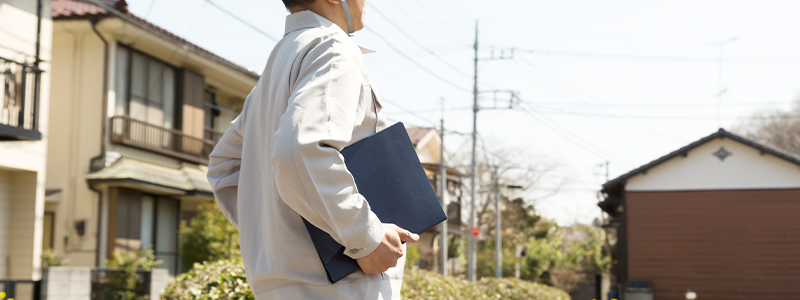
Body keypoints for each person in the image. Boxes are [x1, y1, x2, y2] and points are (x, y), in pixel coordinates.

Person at [206, 0, 419, 299]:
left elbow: (223, 167)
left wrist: (276, 232)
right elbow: (302, 149)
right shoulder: (333, 49)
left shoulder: (274, 71)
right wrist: (365, 236)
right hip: (338, 288)